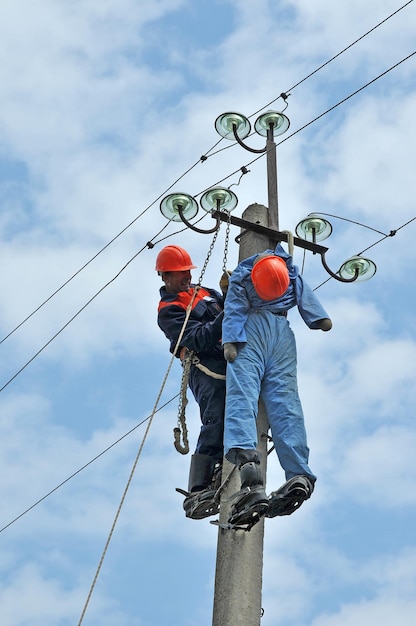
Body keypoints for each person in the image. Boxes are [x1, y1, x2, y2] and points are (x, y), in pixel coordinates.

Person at [222, 243, 332, 529]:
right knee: (284, 403)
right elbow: (234, 306)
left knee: (244, 397)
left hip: (258, 332)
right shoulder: (249, 274)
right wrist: (231, 339)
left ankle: (250, 469)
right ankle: (298, 474)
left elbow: (236, 307)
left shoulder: (282, 270)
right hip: (275, 332)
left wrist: (317, 317)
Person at [156, 245, 226, 520]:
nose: (186, 277)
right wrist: (226, 314)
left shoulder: (206, 293)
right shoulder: (169, 310)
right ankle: (198, 490)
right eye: (180, 273)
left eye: (187, 271)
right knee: (216, 418)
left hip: (229, 361)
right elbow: (198, 339)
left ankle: (228, 466)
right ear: (165, 277)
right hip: (204, 369)